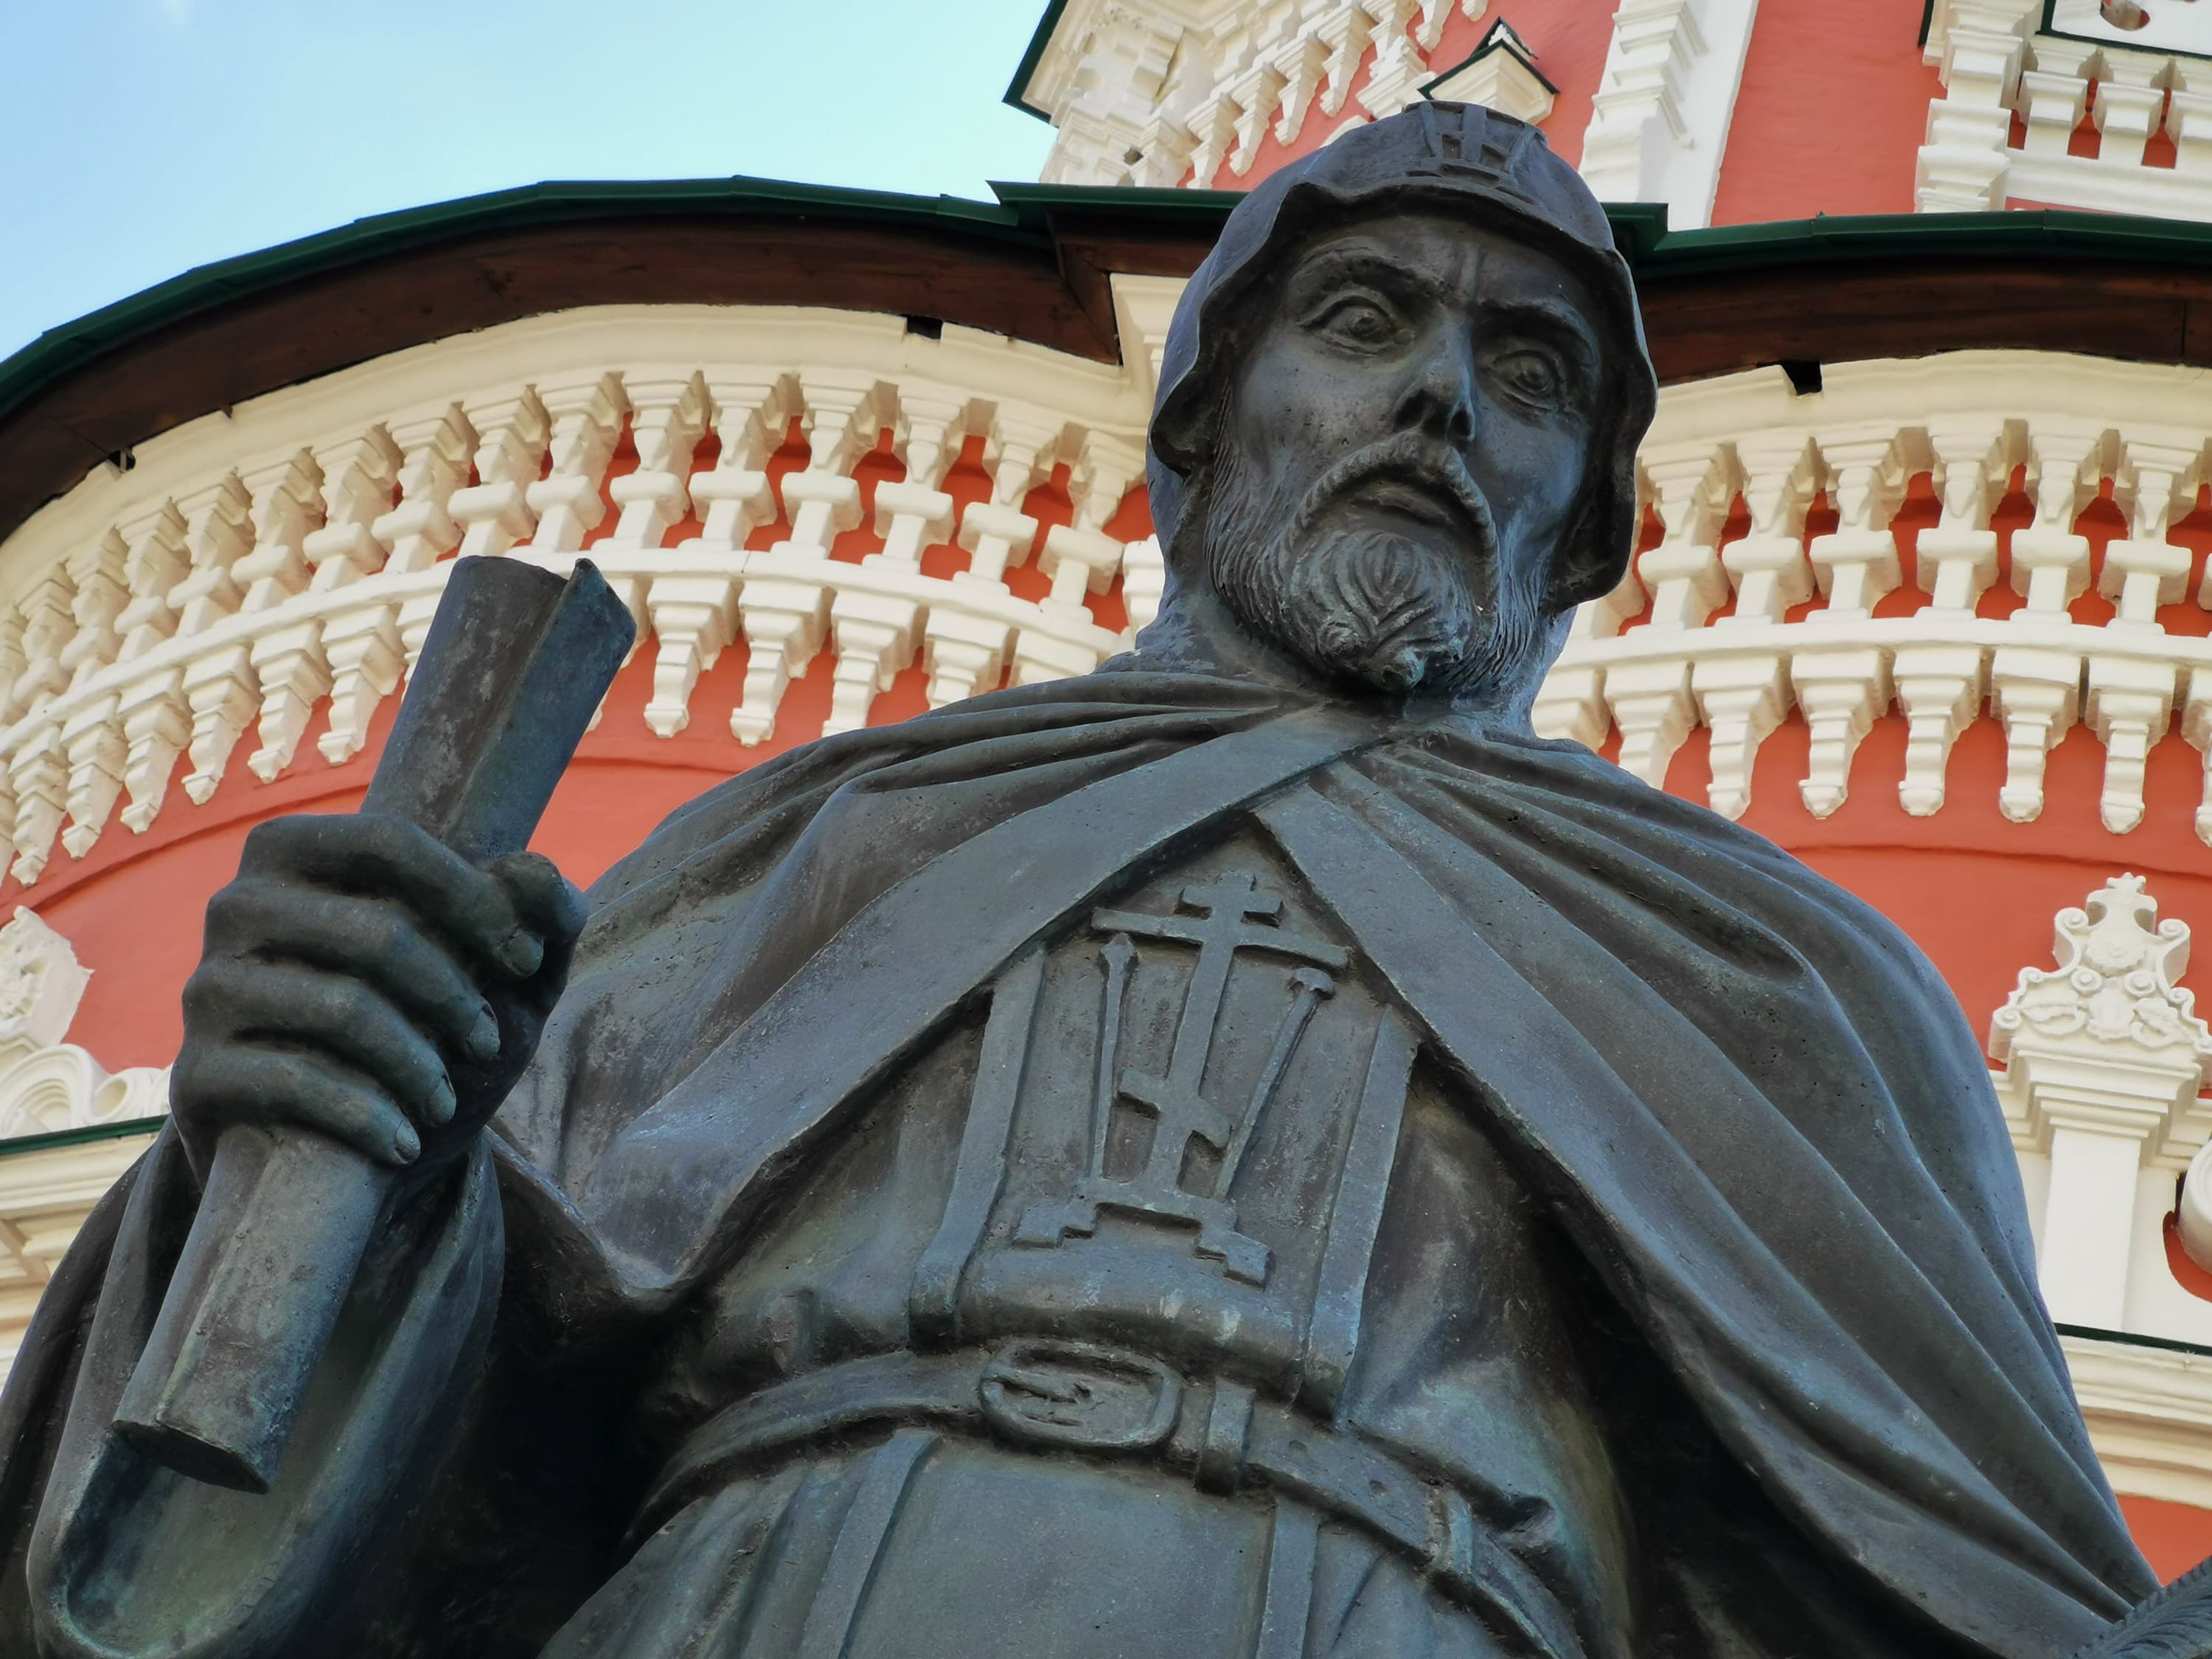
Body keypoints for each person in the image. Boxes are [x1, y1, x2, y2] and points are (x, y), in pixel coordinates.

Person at [0, 103, 2160, 1659]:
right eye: (1364, 322)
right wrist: (347, 1116)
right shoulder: (834, 832)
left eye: (1528, 377)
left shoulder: (1766, 978)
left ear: (1586, 531)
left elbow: (1960, 1583)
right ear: (1198, 427)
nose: (1438, 401)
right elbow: (450, 1413)